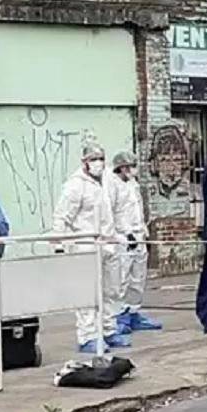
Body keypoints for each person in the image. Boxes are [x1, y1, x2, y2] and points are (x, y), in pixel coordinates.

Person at [52, 143, 130, 354]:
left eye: (101, 157)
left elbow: (116, 209)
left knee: (111, 291)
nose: (98, 162)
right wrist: (60, 244)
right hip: (85, 247)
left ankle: (108, 330)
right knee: (87, 294)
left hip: (108, 245)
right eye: (93, 158)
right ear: (84, 162)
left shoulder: (107, 182)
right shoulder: (75, 186)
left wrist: (121, 235)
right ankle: (87, 336)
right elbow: (62, 216)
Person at [108, 151, 162, 333]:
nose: (134, 170)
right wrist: (123, 233)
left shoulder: (133, 184)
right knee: (122, 278)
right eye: (131, 166)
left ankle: (133, 312)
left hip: (138, 235)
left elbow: (138, 208)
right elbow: (111, 213)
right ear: (122, 167)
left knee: (138, 278)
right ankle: (119, 315)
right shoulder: (111, 185)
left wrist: (143, 230)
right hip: (123, 239)